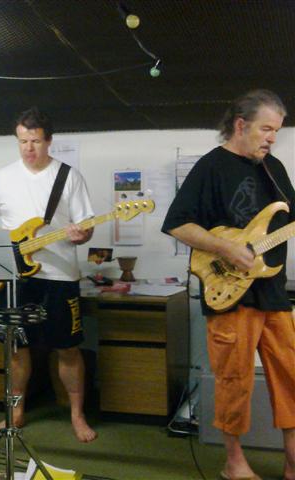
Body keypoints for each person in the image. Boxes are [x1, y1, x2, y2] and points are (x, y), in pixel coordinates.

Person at [162, 89, 295, 480]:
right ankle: (234, 463)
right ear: (241, 125)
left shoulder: (274, 168)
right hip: (231, 293)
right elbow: (177, 224)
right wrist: (226, 248)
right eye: (266, 129)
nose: (272, 138)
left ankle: (292, 459)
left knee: (291, 376)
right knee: (234, 381)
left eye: (277, 131)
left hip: (273, 291)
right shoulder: (211, 167)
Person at [0, 107, 97, 443]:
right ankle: (16, 412)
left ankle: (77, 415)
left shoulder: (68, 177)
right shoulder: (4, 176)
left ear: (49, 141)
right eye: (23, 141)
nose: (28, 148)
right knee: (16, 347)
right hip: (14, 275)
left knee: (68, 348)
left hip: (60, 275)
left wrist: (81, 235)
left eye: (35, 141)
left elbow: (86, 225)